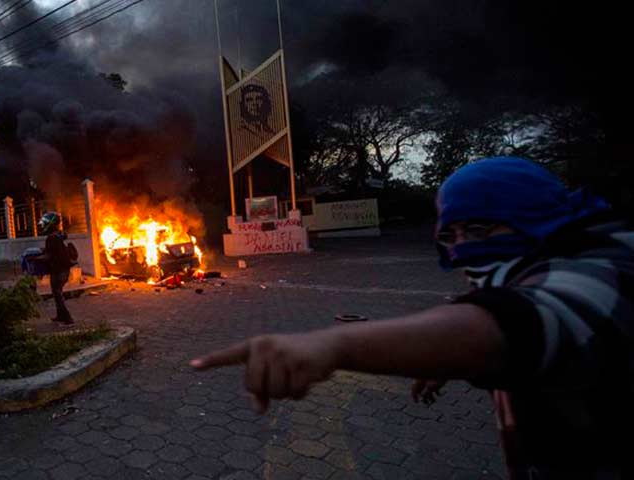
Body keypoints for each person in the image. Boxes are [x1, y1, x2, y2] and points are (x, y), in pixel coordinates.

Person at [192, 157, 634, 479]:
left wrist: (334, 345)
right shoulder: (525, 271)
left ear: (533, 216)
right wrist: (443, 360)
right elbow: (489, 316)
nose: (464, 248)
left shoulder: (607, 274)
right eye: (451, 236)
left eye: (480, 230)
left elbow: (519, 325)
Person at [34, 212, 77, 325]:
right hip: (63, 270)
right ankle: (60, 316)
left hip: (58, 271)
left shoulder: (51, 238)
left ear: (50, 224)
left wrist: (35, 258)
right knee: (57, 293)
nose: (42, 226)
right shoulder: (58, 235)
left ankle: (67, 318)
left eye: (44, 223)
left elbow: (50, 255)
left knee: (57, 294)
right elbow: (55, 251)